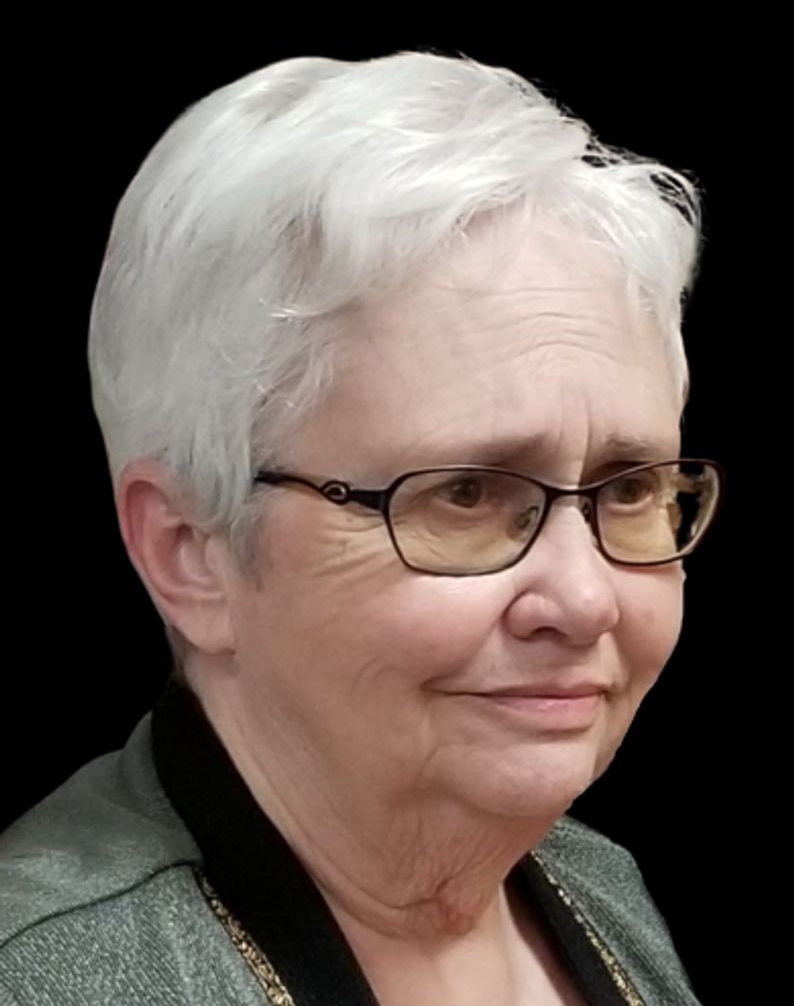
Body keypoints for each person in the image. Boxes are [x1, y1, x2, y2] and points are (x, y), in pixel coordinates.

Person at [0, 49, 723, 1005]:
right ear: (190, 552)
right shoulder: (45, 975)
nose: (587, 599)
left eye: (628, 490)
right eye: (465, 494)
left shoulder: (597, 887)